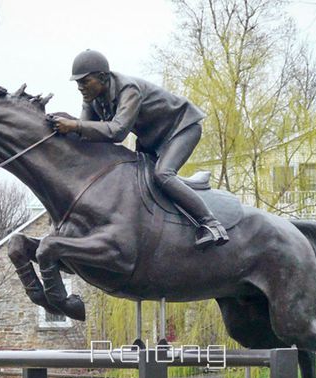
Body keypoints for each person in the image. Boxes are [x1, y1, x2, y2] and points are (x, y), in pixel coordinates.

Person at [47, 49, 229, 250]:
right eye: (77, 83)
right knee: (137, 179)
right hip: (152, 137)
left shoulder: (128, 89)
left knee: (163, 175)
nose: (80, 87)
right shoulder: (92, 97)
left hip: (181, 129)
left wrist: (74, 126)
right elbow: (87, 133)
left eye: (84, 81)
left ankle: (211, 224)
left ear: (102, 77)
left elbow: (117, 131)